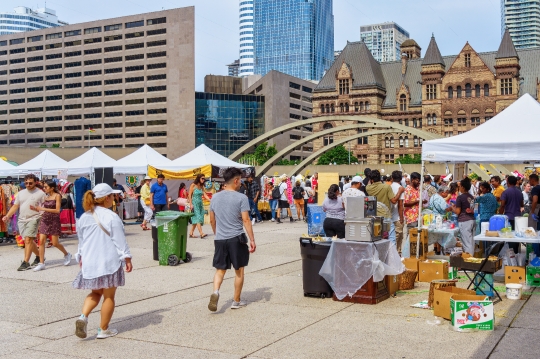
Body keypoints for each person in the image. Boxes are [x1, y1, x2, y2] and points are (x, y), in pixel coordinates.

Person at [72, 183, 133, 339]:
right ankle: (103, 329)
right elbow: (119, 240)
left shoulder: (84, 217)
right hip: (108, 261)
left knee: (95, 292)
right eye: (112, 196)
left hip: (90, 261)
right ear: (107, 198)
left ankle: (83, 317)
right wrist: (127, 258)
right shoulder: (111, 216)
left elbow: (81, 241)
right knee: (109, 296)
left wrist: (80, 257)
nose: (114, 198)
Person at [208, 167, 256, 312]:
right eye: (240, 180)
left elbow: (211, 219)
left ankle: (216, 292)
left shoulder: (215, 197)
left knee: (220, 270)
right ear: (235, 181)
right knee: (239, 271)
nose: (241, 183)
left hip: (220, 239)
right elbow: (246, 220)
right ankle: (236, 301)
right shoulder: (241, 198)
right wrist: (252, 240)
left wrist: (217, 233)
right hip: (236, 239)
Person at [3, 174, 46, 271]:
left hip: (34, 218)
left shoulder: (41, 194)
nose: (28, 185)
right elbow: (15, 206)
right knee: (28, 240)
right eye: (26, 183)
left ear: (35, 182)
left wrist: (42, 218)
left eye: (30, 183)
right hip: (22, 220)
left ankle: (26, 262)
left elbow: (45, 207)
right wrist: (7, 216)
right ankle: (39, 256)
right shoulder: (20, 193)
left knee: (28, 240)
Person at [30, 180, 72, 271]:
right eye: (44, 187)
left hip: (54, 220)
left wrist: (42, 208)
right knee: (41, 241)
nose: (44, 188)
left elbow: (57, 210)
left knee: (55, 243)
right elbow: (43, 209)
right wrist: (36, 209)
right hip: (45, 219)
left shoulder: (57, 196)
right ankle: (41, 263)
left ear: (52, 188)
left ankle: (66, 254)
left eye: (46, 187)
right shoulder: (46, 197)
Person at [452, 178, 476, 255]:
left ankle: (468, 260)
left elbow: (458, 211)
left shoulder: (460, 197)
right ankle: (471, 259)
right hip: (472, 219)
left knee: (466, 242)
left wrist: (452, 208)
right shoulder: (471, 196)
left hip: (464, 220)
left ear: (462, 187)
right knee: (471, 242)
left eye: (459, 186)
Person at [500, 176, 523, 253]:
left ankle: (510, 255)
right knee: (516, 237)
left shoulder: (505, 192)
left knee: (509, 236)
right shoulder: (520, 192)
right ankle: (516, 254)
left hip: (508, 217)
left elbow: (502, 205)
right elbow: (522, 204)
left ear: (508, 182)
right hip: (518, 218)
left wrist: (500, 215)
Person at [188, 173, 211, 238]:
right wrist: (190, 204)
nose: (203, 180)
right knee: (198, 218)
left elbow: (205, 194)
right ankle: (201, 233)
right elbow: (189, 195)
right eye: (202, 178)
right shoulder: (193, 185)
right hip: (194, 204)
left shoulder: (201, 186)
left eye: (204, 179)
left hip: (200, 204)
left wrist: (210, 200)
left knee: (197, 218)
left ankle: (191, 233)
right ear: (199, 178)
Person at [390, 171, 405, 253]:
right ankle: (396, 256)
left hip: (390, 216)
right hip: (397, 217)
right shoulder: (400, 188)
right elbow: (400, 205)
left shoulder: (389, 187)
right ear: (401, 178)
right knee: (398, 239)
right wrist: (401, 218)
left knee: (392, 238)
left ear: (392, 178)